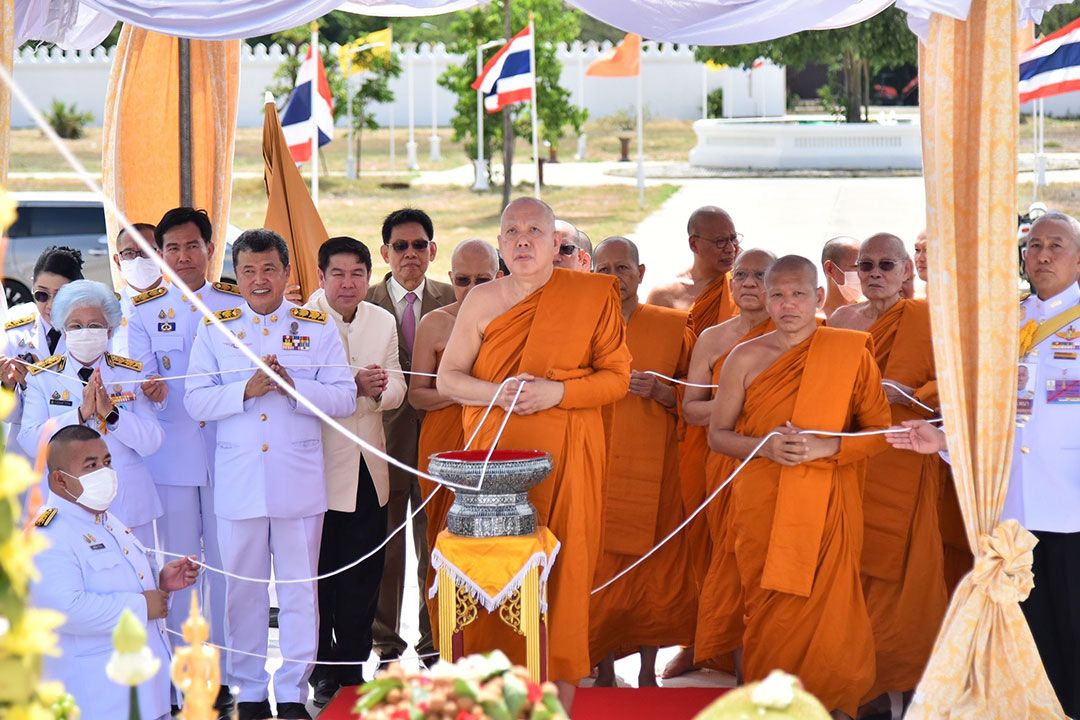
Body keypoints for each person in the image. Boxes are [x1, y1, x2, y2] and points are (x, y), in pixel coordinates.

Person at [437, 197, 631, 705]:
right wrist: (496, 392)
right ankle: (490, 698)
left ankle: (558, 700)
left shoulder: (592, 296)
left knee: (562, 576)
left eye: (535, 231)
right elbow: (448, 378)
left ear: (556, 243)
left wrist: (558, 393)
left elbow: (617, 379)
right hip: (495, 464)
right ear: (500, 244)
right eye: (512, 231)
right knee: (491, 569)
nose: (523, 240)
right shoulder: (482, 301)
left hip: (568, 457)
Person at [184, 229, 357, 720]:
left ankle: (293, 692)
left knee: (301, 590)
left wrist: (292, 386)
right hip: (239, 485)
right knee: (242, 591)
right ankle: (252, 691)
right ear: (235, 276)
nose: (259, 281)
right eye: (248, 271)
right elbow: (195, 398)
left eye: (268, 270)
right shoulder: (215, 325)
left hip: (298, 483)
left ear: (286, 273)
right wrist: (247, 388)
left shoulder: (315, 325)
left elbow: (343, 398)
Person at [709, 255, 890, 719]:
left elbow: (876, 432)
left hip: (828, 505)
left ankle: (834, 707)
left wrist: (825, 448)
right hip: (763, 505)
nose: (788, 305)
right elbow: (718, 435)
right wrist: (764, 448)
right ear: (765, 299)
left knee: (831, 617)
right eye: (778, 295)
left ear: (819, 297)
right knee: (768, 614)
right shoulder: (744, 357)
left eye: (798, 294)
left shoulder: (849, 352)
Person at [123, 206, 238, 712]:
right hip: (171, 455)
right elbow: (140, 381)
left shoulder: (234, 304)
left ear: (210, 248)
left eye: (193, 245)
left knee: (232, 567)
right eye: (172, 248)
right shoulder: (145, 311)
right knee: (178, 566)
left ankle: (232, 670)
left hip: (229, 451)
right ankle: (184, 675)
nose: (183, 256)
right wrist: (149, 391)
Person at [827, 233, 946, 709]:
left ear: (905, 271)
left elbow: (955, 385)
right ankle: (862, 678)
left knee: (910, 573)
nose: (875, 273)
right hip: (854, 458)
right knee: (851, 565)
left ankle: (910, 675)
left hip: (908, 454)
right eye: (866, 265)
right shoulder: (838, 319)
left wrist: (910, 394)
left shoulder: (927, 319)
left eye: (886, 265)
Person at [31, 425, 199, 720]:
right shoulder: (49, 533)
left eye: (107, 462)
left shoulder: (104, 519)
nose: (105, 472)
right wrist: (140, 606)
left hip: (143, 695)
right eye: (91, 465)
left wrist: (159, 582)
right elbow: (64, 608)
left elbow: (107, 582)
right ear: (59, 480)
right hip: (98, 701)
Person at [588, 236, 696, 688]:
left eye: (623, 268)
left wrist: (663, 392)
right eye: (605, 269)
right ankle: (605, 669)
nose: (615, 278)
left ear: (641, 272)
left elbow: (699, 400)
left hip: (657, 469)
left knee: (653, 572)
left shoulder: (674, 327)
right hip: (597, 464)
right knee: (599, 569)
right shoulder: (582, 326)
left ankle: (649, 671)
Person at [304, 236, 406, 706]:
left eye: (358, 273)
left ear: (369, 275)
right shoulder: (300, 320)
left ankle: (352, 667)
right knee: (319, 573)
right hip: (315, 465)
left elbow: (398, 384)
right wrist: (354, 383)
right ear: (321, 276)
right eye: (338, 274)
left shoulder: (382, 320)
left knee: (364, 573)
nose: (348, 283)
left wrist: (379, 390)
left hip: (368, 464)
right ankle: (320, 668)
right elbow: (303, 389)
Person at [365, 208, 455, 665]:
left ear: (432, 251)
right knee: (385, 549)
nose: (410, 254)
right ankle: (385, 643)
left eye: (419, 245)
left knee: (434, 545)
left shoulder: (457, 297)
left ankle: (433, 639)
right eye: (400, 246)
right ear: (386, 252)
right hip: (382, 443)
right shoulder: (362, 300)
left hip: (440, 443)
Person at [19, 280, 164, 547]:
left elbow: (152, 440)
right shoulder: (43, 376)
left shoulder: (130, 373)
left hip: (126, 503)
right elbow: (29, 441)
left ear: (109, 330)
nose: (85, 332)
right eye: (75, 325)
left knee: (140, 581)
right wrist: (79, 415)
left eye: (95, 325)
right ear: (63, 329)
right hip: (67, 504)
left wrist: (113, 415)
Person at [686, 249, 776, 675]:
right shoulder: (713, 339)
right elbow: (690, 409)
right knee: (732, 562)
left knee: (775, 567)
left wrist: (731, 409)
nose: (748, 282)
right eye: (741, 274)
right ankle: (743, 672)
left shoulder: (802, 334)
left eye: (760, 275)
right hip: (726, 463)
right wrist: (743, 406)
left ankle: (782, 664)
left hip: (779, 466)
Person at [1006, 211, 1080, 717]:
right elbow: (984, 411)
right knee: (1024, 634)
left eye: (1056, 245)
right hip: (1014, 507)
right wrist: (940, 442)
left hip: (1071, 505)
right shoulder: (1006, 321)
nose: (1044, 255)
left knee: (1073, 627)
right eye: (1034, 246)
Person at [409, 238, 502, 633]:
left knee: (498, 542)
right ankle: (444, 638)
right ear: (450, 279)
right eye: (463, 280)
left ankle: (495, 635)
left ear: (500, 278)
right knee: (444, 539)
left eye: (483, 279)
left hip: (498, 446)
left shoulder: (515, 321)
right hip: (445, 446)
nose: (473, 288)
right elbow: (417, 394)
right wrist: (464, 389)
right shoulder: (436, 323)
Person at [2, 246, 84, 460]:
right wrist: (9, 387)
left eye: (61, 294)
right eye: (41, 294)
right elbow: (8, 415)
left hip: (75, 444)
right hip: (26, 452)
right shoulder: (14, 326)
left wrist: (40, 383)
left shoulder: (93, 328)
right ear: (32, 286)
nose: (50, 305)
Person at [646, 206, 740, 334]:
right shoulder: (665, 295)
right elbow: (653, 348)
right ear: (694, 244)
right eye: (720, 241)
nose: (730, 248)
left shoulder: (745, 285)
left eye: (733, 238)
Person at [112, 222, 163, 356]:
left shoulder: (184, 303)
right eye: (129, 253)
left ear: (162, 255)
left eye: (147, 251)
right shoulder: (109, 309)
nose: (138, 259)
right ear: (118, 261)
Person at [819, 236, 861, 318]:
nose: (864, 273)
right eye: (856, 266)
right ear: (830, 269)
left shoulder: (879, 317)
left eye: (866, 266)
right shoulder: (810, 323)